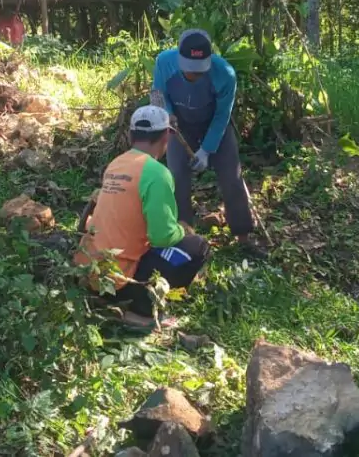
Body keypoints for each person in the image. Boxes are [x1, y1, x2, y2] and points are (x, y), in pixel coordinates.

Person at [75, 105, 211, 328]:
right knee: (197, 246)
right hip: (120, 283)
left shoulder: (115, 165)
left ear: (130, 135)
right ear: (166, 136)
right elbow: (162, 237)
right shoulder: (157, 173)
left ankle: (102, 300)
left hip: (89, 272)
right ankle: (142, 311)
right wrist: (183, 229)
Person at [150, 29, 262, 256]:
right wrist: (167, 115)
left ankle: (243, 237)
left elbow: (222, 115)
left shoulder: (225, 74)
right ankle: (184, 237)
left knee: (232, 176)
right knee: (177, 178)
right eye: (189, 70)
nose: (194, 76)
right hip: (179, 125)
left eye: (199, 71)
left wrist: (206, 150)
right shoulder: (164, 62)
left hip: (214, 126)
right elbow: (157, 94)